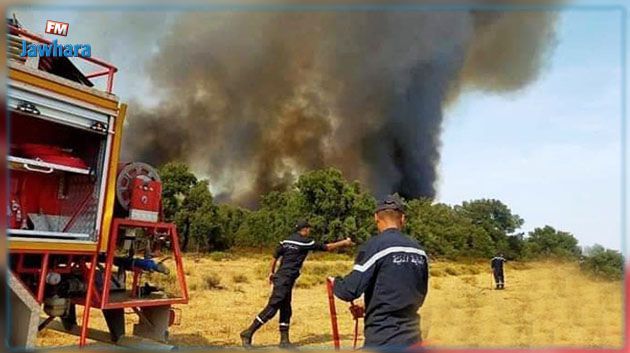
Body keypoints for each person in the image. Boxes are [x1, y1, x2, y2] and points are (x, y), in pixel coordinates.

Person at [330, 195, 429, 350]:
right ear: (402, 218)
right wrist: (369, 306)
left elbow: (349, 291)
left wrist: (335, 282)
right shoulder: (419, 250)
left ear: (376, 217)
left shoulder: (375, 246)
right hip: (413, 339)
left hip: (383, 338)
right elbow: (418, 294)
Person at [240, 220, 354, 349]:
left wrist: (271, 272)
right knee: (273, 306)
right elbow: (327, 247)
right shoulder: (305, 242)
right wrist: (344, 243)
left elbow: (275, 256)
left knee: (286, 308)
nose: (310, 231)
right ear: (304, 229)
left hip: (282, 277)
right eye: (309, 229)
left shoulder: (286, 241)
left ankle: (284, 341)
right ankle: (248, 333)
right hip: (285, 279)